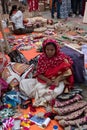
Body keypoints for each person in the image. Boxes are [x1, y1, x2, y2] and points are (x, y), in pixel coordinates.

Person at [19, 38, 74, 107]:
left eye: (52, 50)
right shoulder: (42, 58)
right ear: (44, 49)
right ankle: (42, 98)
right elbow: (39, 74)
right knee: (24, 83)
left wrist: (57, 80)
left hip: (58, 80)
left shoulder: (61, 58)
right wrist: (47, 80)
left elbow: (68, 73)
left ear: (56, 49)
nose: (49, 52)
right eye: (47, 50)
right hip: (45, 80)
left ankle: (43, 99)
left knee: (56, 91)